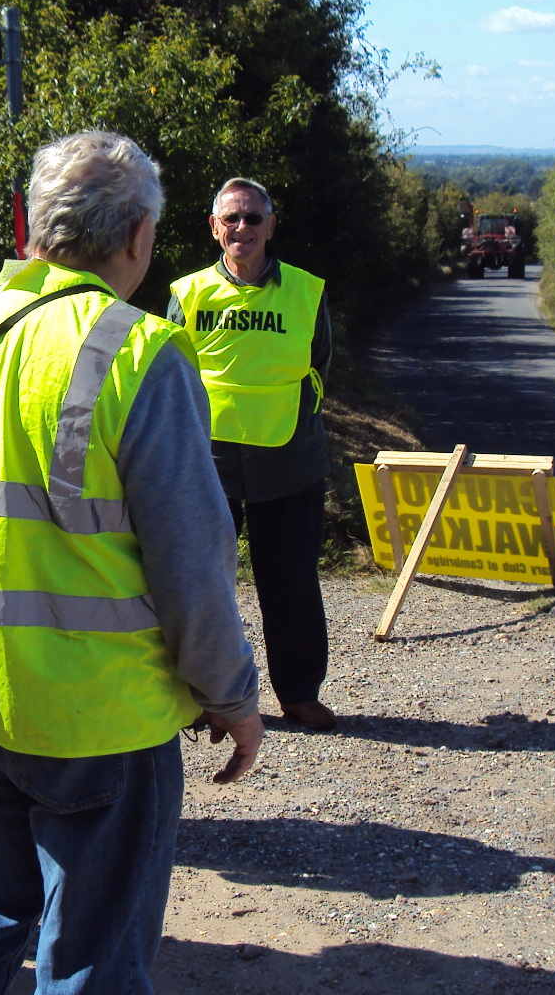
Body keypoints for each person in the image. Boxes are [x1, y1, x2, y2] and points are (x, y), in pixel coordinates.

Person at [0, 131, 263, 994]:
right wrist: (233, 696)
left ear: (37, 228)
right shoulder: (142, 352)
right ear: (137, 235)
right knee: (93, 952)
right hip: (100, 716)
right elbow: (193, 561)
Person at [167, 179, 336, 731]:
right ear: (215, 227)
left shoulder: (308, 291)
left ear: (271, 225)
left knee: (291, 583)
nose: (243, 229)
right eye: (232, 219)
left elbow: (321, 365)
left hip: (289, 461)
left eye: (253, 219)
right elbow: (168, 375)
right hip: (205, 464)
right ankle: (206, 697)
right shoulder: (188, 293)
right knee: (202, 584)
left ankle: (299, 693)